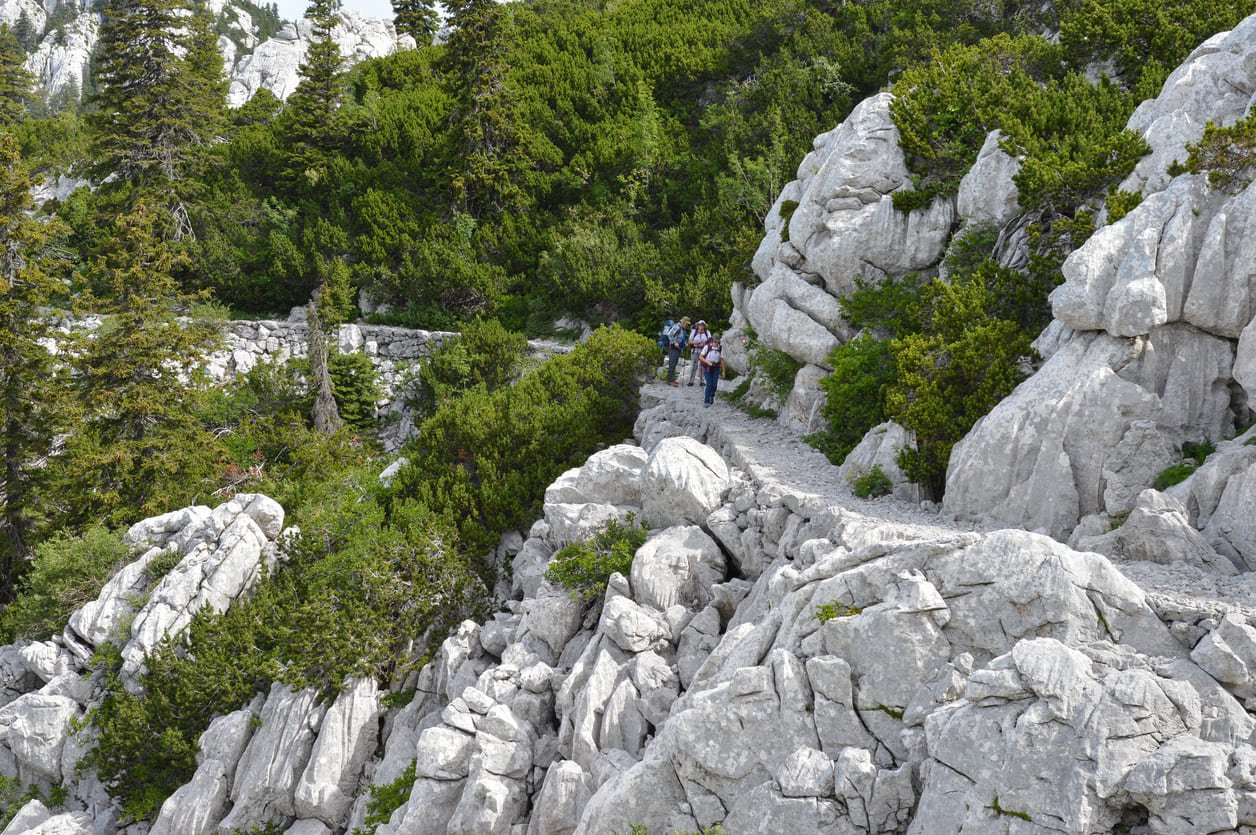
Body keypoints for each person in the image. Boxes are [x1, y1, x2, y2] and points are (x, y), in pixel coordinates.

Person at [699, 333, 725, 407]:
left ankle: (711, 395)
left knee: (714, 385)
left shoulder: (720, 348)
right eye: (715, 342)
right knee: (709, 384)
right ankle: (706, 401)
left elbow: (722, 360)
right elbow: (701, 357)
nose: (716, 343)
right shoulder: (707, 347)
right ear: (712, 341)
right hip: (707, 367)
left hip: (716, 368)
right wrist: (708, 362)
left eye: (717, 342)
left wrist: (723, 371)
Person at [686, 320, 711, 386]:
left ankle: (702, 381)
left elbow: (710, 341)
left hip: (703, 351)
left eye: (702, 325)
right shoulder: (694, 331)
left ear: (704, 326)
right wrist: (695, 343)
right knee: (694, 365)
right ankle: (691, 381)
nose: (701, 327)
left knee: (702, 366)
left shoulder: (707, 332)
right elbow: (689, 341)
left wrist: (703, 344)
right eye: (700, 325)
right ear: (698, 325)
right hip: (695, 350)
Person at [665, 316, 689, 386]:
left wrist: (684, 344)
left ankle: (672, 379)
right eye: (687, 324)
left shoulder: (682, 328)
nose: (687, 325)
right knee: (672, 364)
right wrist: (674, 342)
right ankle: (669, 380)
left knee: (674, 363)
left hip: (678, 348)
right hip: (673, 348)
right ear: (683, 322)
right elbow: (669, 334)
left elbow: (680, 337)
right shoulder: (677, 326)